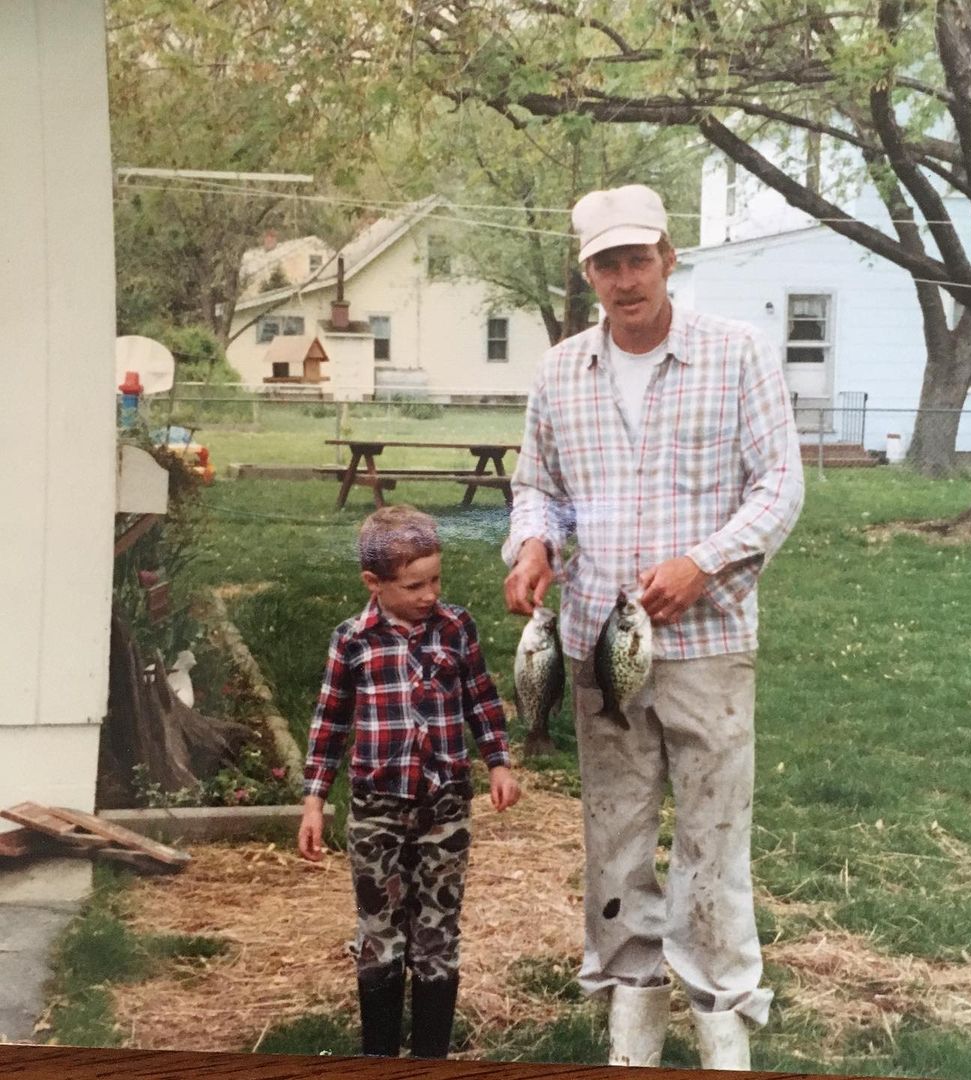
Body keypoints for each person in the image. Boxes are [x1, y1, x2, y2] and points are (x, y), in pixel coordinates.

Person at [502, 184, 804, 1070]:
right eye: (607, 265)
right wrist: (532, 544)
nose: (626, 280)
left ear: (669, 259)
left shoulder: (737, 354)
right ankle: (632, 1012)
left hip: (709, 643)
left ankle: (720, 1013)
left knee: (714, 833)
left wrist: (702, 563)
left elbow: (779, 487)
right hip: (597, 644)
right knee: (616, 834)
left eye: (639, 259)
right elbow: (538, 487)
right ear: (587, 273)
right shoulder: (561, 371)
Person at [299, 505, 520, 1059]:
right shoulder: (353, 640)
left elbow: (482, 700)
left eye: (435, 580)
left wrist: (497, 762)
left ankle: (430, 1057)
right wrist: (314, 801)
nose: (429, 595)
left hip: (444, 807)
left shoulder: (456, 628)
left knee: (437, 931)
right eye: (414, 585)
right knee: (380, 933)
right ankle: (379, 1055)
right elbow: (330, 722)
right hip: (377, 810)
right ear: (373, 583)